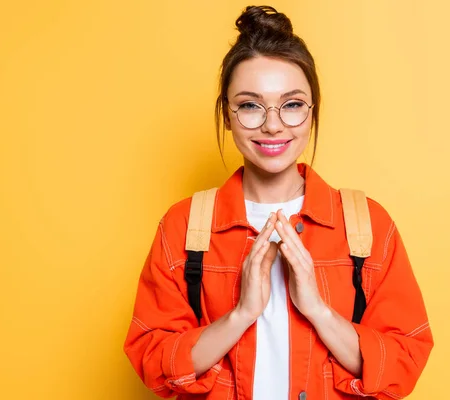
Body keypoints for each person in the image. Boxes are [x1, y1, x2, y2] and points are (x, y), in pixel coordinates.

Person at [124, 5, 433, 400]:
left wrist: (318, 311)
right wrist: (241, 315)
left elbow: (404, 361)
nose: (273, 124)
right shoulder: (183, 226)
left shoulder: (367, 225)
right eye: (251, 105)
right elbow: (153, 359)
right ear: (227, 115)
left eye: (291, 104)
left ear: (312, 112)